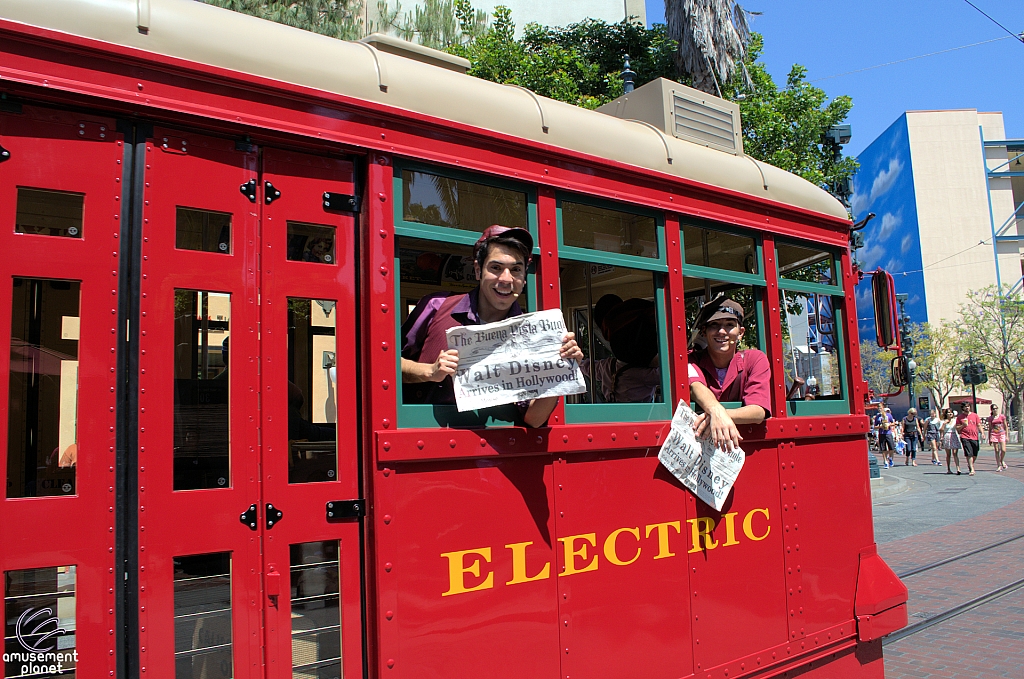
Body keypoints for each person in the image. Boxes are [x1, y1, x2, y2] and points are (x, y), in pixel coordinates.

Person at [400, 225, 583, 428]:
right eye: (496, 268)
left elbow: (534, 419)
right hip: (425, 444)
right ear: (478, 270)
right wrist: (429, 371)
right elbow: (388, 367)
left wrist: (561, 370)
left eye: (516, 270)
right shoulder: (436, 306)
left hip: (495, 452)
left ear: (523, 278)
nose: (506, 279)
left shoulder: (532, 335)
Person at [685, 297, 770, 451]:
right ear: (704, 331)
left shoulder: (755, 359)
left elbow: (758, 411)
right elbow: (695, 386)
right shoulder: (690, 359)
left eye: (730, 325)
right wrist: (717, 412)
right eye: (714, 325)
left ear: (741, 332)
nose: (722, 331)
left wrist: (719, 417)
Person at [582, 298, 661, 403]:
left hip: (612, 413)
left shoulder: (607, 365)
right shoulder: (644, 374)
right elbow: (668, 376)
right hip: (639, 416)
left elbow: (590, 368)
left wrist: (578, 362)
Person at [956, 402, 981, 476]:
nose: (967, 408)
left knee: (975, 453)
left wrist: (982, 433)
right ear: (963, 408)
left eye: (968, 406)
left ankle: (971, 464)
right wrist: (963, 425)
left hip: (974, 436)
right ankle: (972, 469)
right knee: (969, 453)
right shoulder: (960, 417)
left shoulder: (975, 415)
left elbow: (979, 425)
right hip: (965, 436)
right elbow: (957, 428)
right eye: (965, 407)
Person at [940, 408, 962, 475]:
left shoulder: (955, 420)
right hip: (947, 435)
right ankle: (948, 469)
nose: (950, 414)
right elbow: (941, 429)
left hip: (954, 435)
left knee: (955, 453)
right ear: (946, 414)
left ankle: (958, 468)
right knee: (948, 454)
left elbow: (958, 427)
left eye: (951, 412)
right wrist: (944, 423)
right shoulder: (943, 421)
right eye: (948, 412)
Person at [987, 403, 1008, 472]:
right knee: (996, 450)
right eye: (993, 409)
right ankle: (999, 465)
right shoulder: (990, 418)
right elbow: (990, 428)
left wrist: (1007, 435)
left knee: (1003, 450)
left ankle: (1001, 460)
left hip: (1001, 433)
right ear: (991, 410)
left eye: (996, 408)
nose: (995, 410)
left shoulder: (1002, 416)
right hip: (994, 434)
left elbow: (1005, 426)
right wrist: (989, 438)